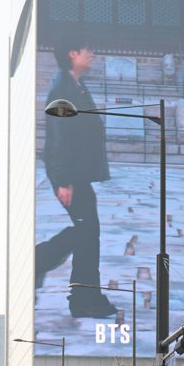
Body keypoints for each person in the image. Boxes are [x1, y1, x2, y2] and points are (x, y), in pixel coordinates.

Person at [38, 36, 115, 319]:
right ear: (73, 53)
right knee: (87, 232)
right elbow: (58, 139)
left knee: (88, 232)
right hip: (70, 177)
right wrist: (62, 181)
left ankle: (82, 294)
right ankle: (82, 296)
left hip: (78, 175)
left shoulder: (76, 86)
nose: (92, 54)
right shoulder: (62, 90)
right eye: (87, 50)